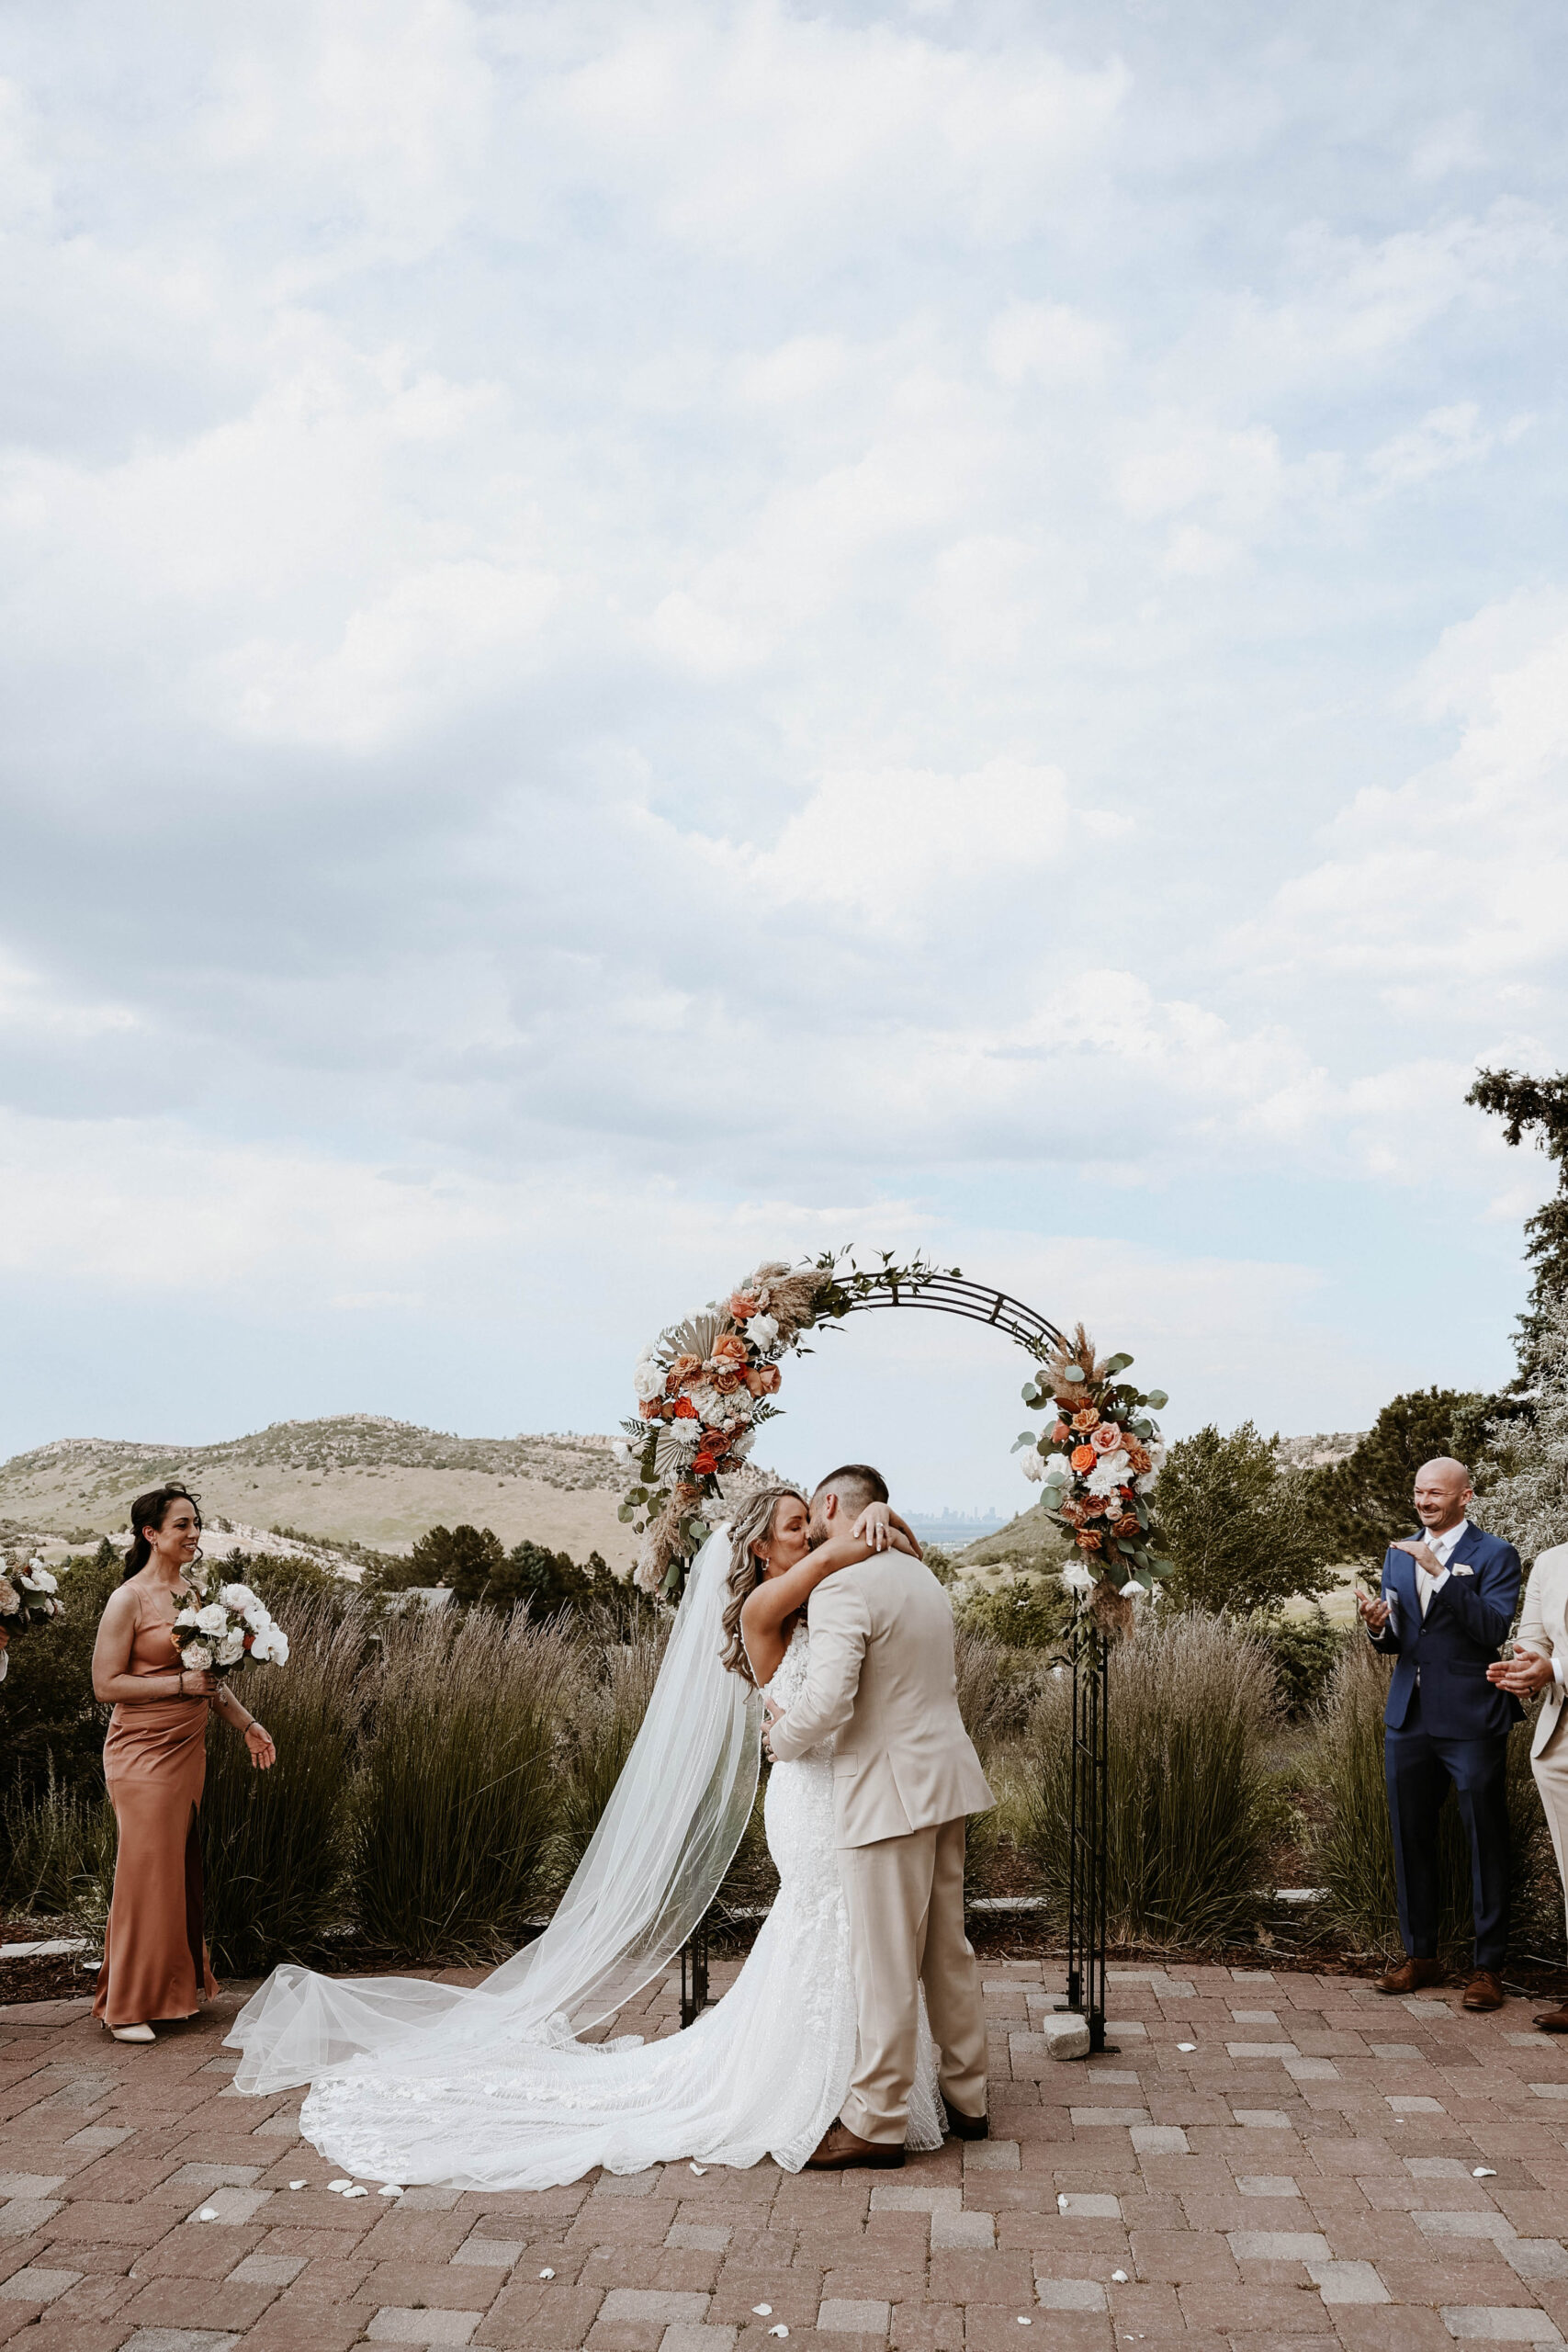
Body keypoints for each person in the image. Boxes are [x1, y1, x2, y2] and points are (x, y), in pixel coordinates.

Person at [226, 1478, 960, 2189]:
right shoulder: (766, 1607)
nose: (812, 1535)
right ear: (761, 1549)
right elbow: (838, 1565)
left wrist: (877, 1522)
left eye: (813, 1520)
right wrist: (876, 1520)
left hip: (846, 1793)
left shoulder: (814, 1606)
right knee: (827, 1928)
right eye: (795, 1526)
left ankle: (857, 2089)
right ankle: (830, 2091)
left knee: (846, 1936)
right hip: (811, 1796)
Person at [766, 1464, 995, 2168]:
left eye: (811, 1512)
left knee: (885, 1960)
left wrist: (779, 1740)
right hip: (946, 1779)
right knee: (945, 1950)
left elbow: (830, 1701)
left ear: (829, 1503)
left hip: (885, 1794)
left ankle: (876, 2119)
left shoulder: (841, 1588)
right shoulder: (921, 1575)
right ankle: (969, 2098)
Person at [91, 1485, 276, 2043]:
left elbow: (210, 1682)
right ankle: (125, 2007)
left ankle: (170, 1992)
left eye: (196, 1524)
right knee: (144, 1870)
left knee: (173, 1868)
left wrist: (247, 1725)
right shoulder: (129, 1599)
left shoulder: (198, 1597)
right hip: (140, 1749)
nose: (193, 1533)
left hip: (186, 1747)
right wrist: (179, 1682)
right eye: (182, 1525)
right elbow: (105, 1684)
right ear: (151, 1534)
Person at [1356, 1458, 1521, 2011]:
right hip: (1409, 1715)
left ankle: (1487, 1968)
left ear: (1465, 1497)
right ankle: (1419, 1955)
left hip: (1473, 1718)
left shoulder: (1494, 1554)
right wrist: (1379, 1626)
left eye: (1436, 1493)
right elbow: (1403, 1637)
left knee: (1485, 1840)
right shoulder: (1397, 1552)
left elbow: (1492, 1630)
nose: (1424, 1502)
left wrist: (1441, 1573)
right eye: (1419, 1492)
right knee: (1410, 1836)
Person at [1488, 1540, 1568, 2033]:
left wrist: (1555, 1668)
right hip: (1559, 1744)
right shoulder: (1552, 1561)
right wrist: (1527, 1668)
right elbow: (1534, 1638)